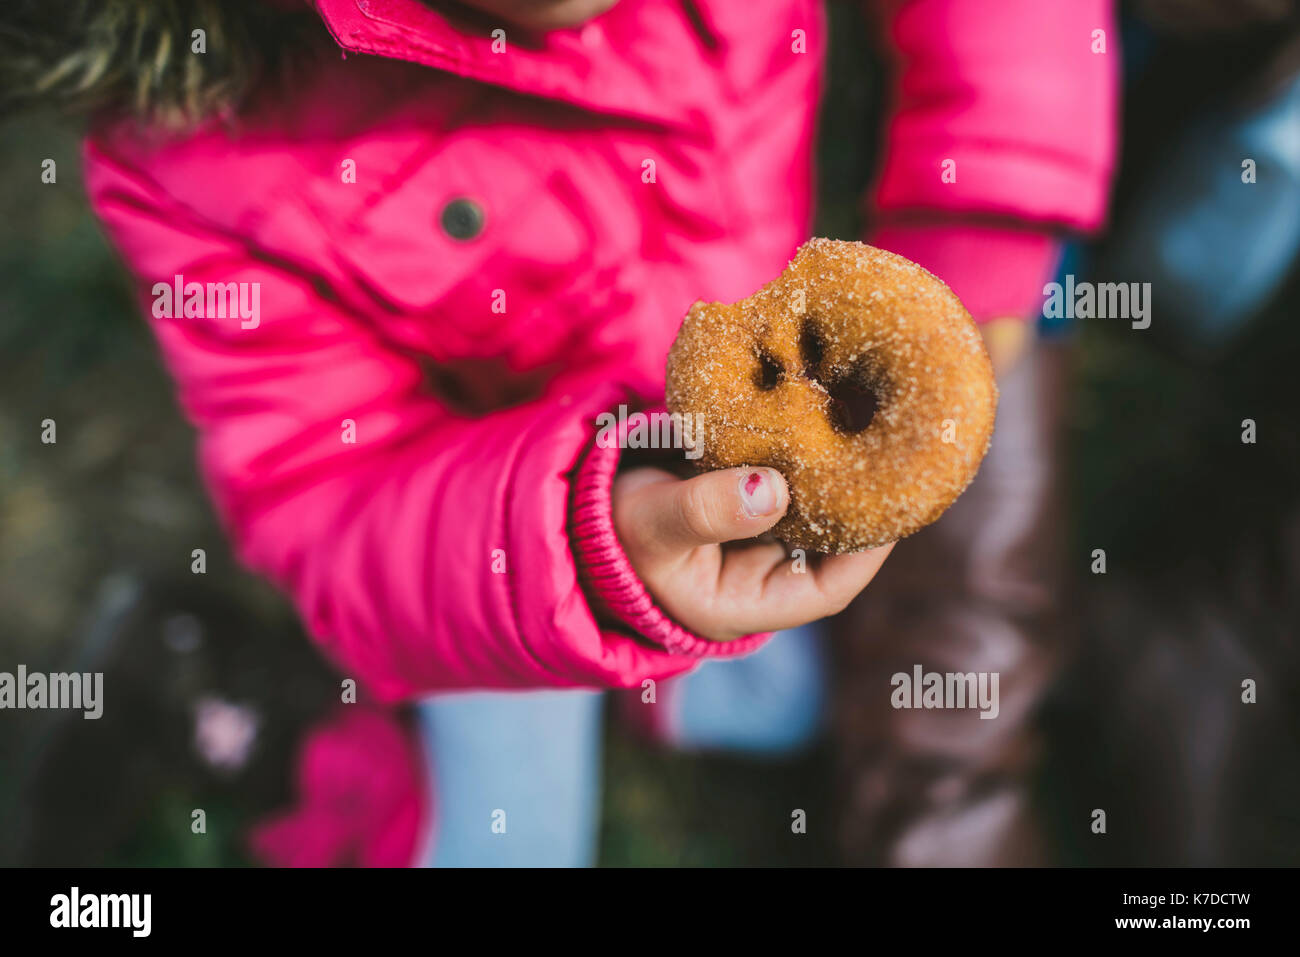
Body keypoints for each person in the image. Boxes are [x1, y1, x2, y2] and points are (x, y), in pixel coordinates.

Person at [3, 0, 1116, 865]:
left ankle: (646, 673)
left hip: (724, 460)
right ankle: (247, 705)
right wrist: (587, 554)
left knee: (789, 704)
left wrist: (985, 208)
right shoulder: (203, 156)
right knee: (511, 852)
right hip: (490, 523)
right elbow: (321, 490)